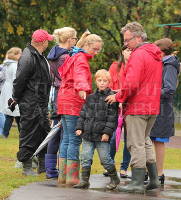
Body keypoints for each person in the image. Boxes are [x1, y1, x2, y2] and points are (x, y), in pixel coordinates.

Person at [106, 22, 162, 193]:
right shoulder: (155, 54)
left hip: (138, 106)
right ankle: (153, 180)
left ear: (138, 37)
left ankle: (137, 182)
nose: (126, 45)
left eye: (127, 40)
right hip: (152, 106)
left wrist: (118, 96)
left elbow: (131, 83)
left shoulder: (138, 55)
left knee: (135, 144)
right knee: (145, 142)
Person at [57, 31, 103, 186]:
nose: (96, 53)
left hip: (63, 100)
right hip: (73, 101)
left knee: (66, 138)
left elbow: (64, 72)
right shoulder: (81, 58)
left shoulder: (73, 55)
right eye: (95, 49)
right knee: (74, 139)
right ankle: (72, 177)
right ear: (87, 45)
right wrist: (83, 88)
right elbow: (80, 74)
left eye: (98, 50)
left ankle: (63, 176)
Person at [12, 29, 53, 176]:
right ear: (42, 42)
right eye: (47, 40)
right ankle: (27, 167)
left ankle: (43, 166)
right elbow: (19, 81)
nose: (48, 42)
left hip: (40, 102)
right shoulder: (28, 56)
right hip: (31, 103)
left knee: (44, 133)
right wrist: (16, 98)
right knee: (28, 134)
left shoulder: (38, 55)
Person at [73, 69, 120, 190]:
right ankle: (84, 181)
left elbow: (112, 119)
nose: (102, 83)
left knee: (105, 159)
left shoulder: (111, 99)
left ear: (109, 82)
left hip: (102, 136)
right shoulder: (90, 97)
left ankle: (114, 178)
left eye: (105, 81)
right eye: (100, 80)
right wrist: (79, 127)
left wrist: (106, 133)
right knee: (85, 156)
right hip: (88, 134)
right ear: (96, 82)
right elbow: (83, 114)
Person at [45, 27, 78, 179]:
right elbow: (68, 76)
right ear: (69, 39)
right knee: (62, 132)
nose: (76, 41)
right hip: (62, 93)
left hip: (54, 94)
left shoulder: (54, 52)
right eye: (75, 38)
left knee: (56, 131)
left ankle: (51, 168)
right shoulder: (65, 57)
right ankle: (55, 170)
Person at [150, 38, 180, 185]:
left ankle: (159, 173)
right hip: (157, 106)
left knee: (158, 140)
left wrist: (150, 92)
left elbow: (169, 90)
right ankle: (151, 172)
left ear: (161, 51)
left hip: (163, 109)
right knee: (152, 139)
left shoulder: (169, 65)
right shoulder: (164, 63)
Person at [103, 47, 131, 178]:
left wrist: (123, 95)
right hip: (115, 104)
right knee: (113, 136)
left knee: (129, 139)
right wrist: (118, 96)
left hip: (130, 105)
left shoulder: (135, 66)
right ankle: (110, 165)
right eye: (127, 50)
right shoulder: (115, 66)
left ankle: (124, 167)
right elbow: (109, 85)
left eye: (131, 50)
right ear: (122, 52)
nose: (129, 53)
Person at [0, 47, 22, 138]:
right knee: (15, 113)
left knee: (11, 113)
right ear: (16, 55)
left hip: (7, 89)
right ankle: (21, 134)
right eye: (20, 53)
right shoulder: (14, 65)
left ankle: (5, 134)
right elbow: (15, 79)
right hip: (12, 90)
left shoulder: (6, 64)